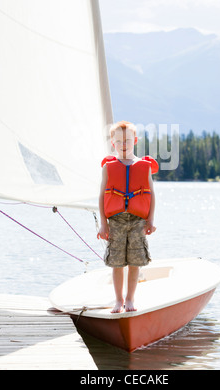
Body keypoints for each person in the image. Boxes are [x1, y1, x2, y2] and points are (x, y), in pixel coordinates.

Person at [97, 121, 158, 313]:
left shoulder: (144, 166)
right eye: (119, 141)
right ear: (113, 143)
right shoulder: (108, 167)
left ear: (135, 141)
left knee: (134, 263)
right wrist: (103, 224)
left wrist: (150, 220)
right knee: (117, 264)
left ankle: (130, 300)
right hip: (116, 221)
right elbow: (102, 196)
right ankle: (118, 300)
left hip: (138, 221)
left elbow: (151, 194)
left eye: (128, 140)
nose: (124, 144)